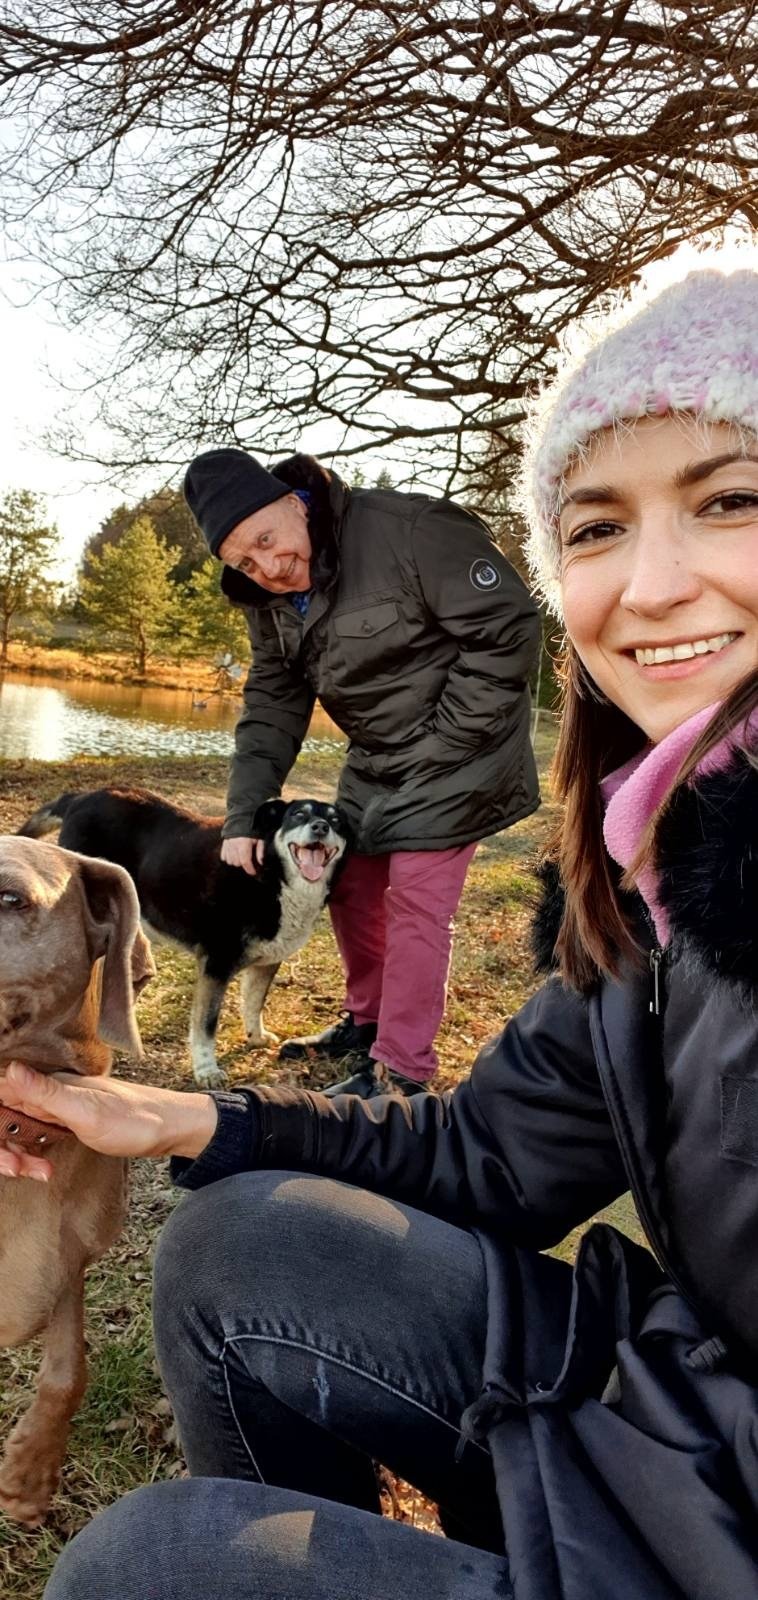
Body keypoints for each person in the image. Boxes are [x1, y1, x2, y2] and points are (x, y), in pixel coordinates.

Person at [4, 260, 758, 1599]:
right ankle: (363, 1039)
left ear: (303, 498)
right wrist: (187, 1118)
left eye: (728, 501)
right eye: (593, 528)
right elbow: (490, 1152)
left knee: (143, 1567)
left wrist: (427, 755)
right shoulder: (653, 879)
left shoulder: (407, 531)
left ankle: (396, 1042)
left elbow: (494, 629)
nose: (648, 585)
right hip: (678, 1403)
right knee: (228, 1228)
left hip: (723, 1523)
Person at [181, 448, 541, 1096]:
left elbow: (508, 626)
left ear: (295, 501)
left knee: (414, 899)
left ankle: (400, 1071)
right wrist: (244, 814)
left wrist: (443, 741)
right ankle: (366, 1021)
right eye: (244, 562)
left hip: (464, 746)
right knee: (349, 883)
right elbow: (271, 705)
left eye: (266, 540)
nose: (267, 567)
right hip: (379, 754)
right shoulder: (266, 602)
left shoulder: (406, 529)